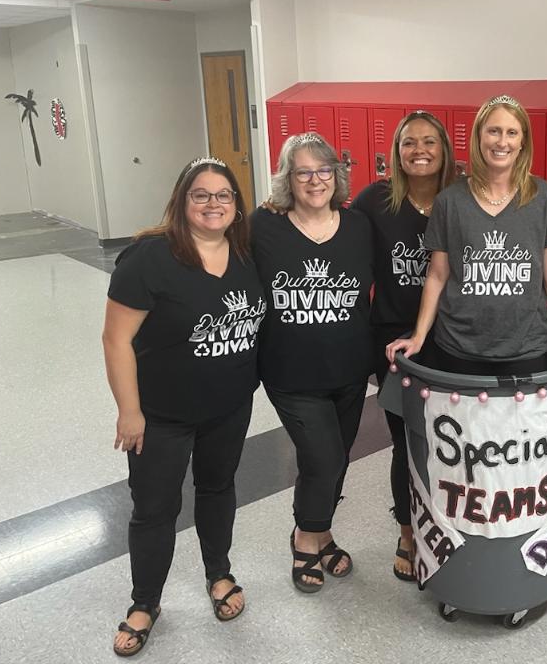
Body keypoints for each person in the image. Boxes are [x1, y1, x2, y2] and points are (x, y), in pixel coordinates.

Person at [104, 157, 264, 657]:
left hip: (229, 406)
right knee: (155, 509)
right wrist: (129, 411)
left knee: (217, 490)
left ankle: (219, 574)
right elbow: (115, 339)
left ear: (237, 207)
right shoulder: (149, 258)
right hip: (161, 415)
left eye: (224, 196)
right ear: (182, 201)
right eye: (201, 194)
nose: (213, 204)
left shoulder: (245, 253)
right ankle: (144, 602)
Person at [386, 94, 547, 375]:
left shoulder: (545, 198)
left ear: (522, 142)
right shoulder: (450, 201)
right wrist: (419, 335)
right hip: (458, 346)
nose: (502, 142)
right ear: (479, 137)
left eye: (512, 133)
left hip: (526, 347)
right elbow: (437, 275)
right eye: (494, 131)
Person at [251, 132, 373, 593]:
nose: (316, 180)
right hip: (290, 373)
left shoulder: (358, 225)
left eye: (325, 170)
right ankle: (305, 538)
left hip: (349, 369)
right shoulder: (263, 227)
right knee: (321, 458)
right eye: (303, 171)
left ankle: (322, 533)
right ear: (288, 178)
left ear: (337, 175)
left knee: (336, 458)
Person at [350, 110, 455, 582]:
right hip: (392, 338)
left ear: (444, 149)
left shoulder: (461, 198)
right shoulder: (375, 201)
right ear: (396, 151)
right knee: (404, 440)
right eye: (409, 142)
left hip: (453, 338)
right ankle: (407, 530)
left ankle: (451, 519)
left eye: (429, 142)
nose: (419, 151)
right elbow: (331, 234)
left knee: (449, 440)